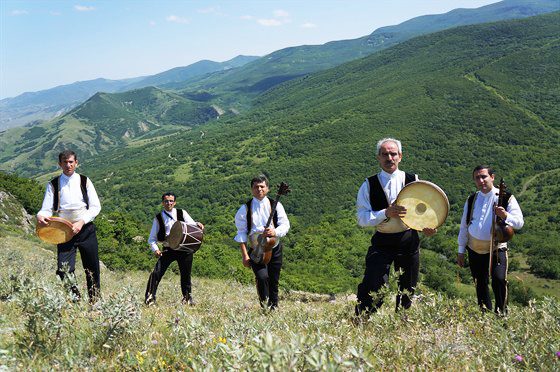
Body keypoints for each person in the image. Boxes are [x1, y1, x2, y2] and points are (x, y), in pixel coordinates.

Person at [355, 138, 436, 316]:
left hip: (408, 239)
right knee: (374, 281)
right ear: (378, 157)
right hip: (382, 240)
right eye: (385, 154)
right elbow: (361, 218)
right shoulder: (368, 184)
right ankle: (362, 318)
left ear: (400, 156)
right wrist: (385, 213)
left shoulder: (413, 180)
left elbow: (425, 210)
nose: (389, 158)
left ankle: (402, 322)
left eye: (393, 154)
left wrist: (429, 227)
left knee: (408, 285)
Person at [37, 150, 102, 302]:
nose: (68, 165)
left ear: (76, 163)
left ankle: (95, 302)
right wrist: (41, 215)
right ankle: (75, 299)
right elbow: (46, 209)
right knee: (63, 270)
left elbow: (95, 207)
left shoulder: (85, 181)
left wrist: (81, 222)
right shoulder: (53, 184)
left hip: (86, 229)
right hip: (63, 231)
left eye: (71, 162)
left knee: (92, 268)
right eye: (65, 162)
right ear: (60, 164)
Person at [457, 165, 524, 314]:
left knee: (499, 280)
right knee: (480, 283)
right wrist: (461, 250)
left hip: (496, 247)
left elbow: (520, 222)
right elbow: (464, 226)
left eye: (484, 177)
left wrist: (505, 215)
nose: (481, 180)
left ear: (492, 177)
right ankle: (485, 315)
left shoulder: (506, 197)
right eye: (477, 178)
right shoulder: (472, 199)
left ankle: (501, 314)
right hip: (474, 248)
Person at [234, 175, 290, 309]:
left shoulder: (276, 205)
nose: (259, 189)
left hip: (273, 247)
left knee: (274, 279)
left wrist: (275, 232)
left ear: (267, 189)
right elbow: (241, 233)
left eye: (262, 186)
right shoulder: (245, 209)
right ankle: (264, 306)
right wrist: (245, 256)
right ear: (251, 189)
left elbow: (285, 224)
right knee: (262, 277)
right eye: (256, 187)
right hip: (256, 249)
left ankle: (274, 308)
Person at [145, 192, 204, 305]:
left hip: (184, 249)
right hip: (168, 249)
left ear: (175, 202)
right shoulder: (158, 218)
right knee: (156, 273)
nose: (169, 203)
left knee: (186, 275)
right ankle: (150, 298)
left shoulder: (182, 213)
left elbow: (191, 225)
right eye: (166, 201)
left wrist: (197, 224)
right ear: (163, 203)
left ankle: (187, 299)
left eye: (171, 201)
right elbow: (151, 239)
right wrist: (156, 250)